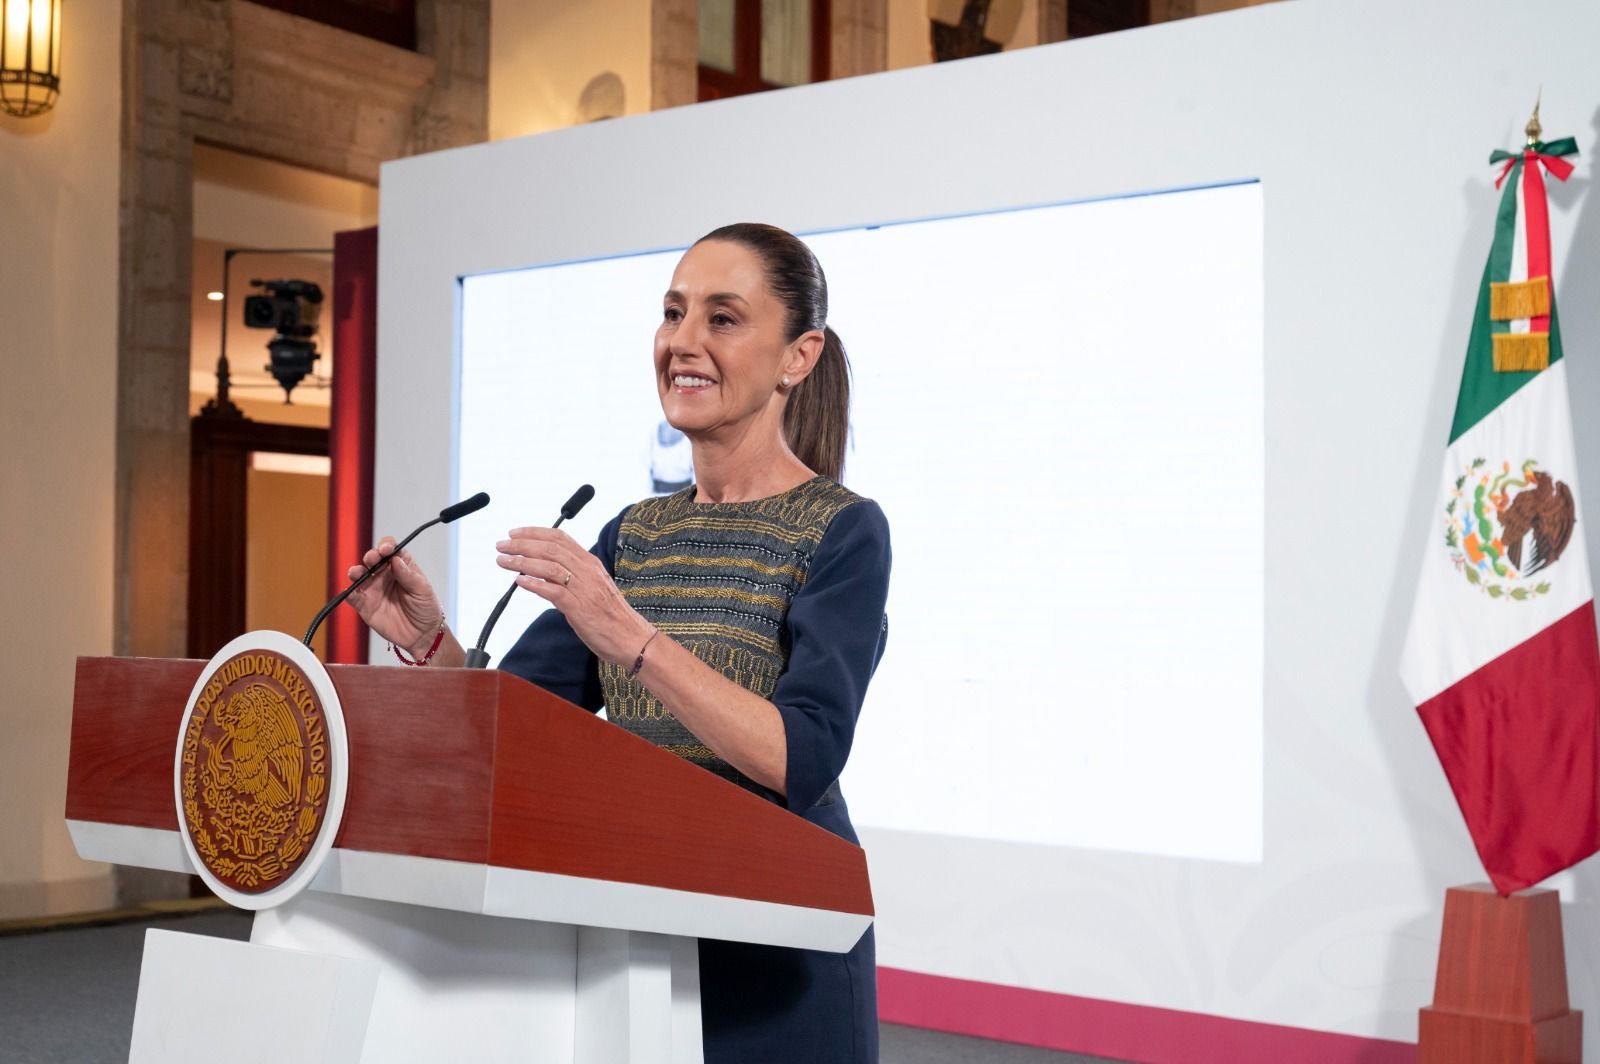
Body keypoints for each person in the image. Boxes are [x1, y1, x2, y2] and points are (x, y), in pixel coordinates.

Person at [344, 222, 892, 1063]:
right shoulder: (633, 534)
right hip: (640, 928)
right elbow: (517, 719)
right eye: (673, 314)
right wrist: (432, 644)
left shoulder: (844, 529)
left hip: (782, 940)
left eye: (721, 318)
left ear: (798, 356)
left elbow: (804, 753)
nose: (682, 341)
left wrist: (632, 639)